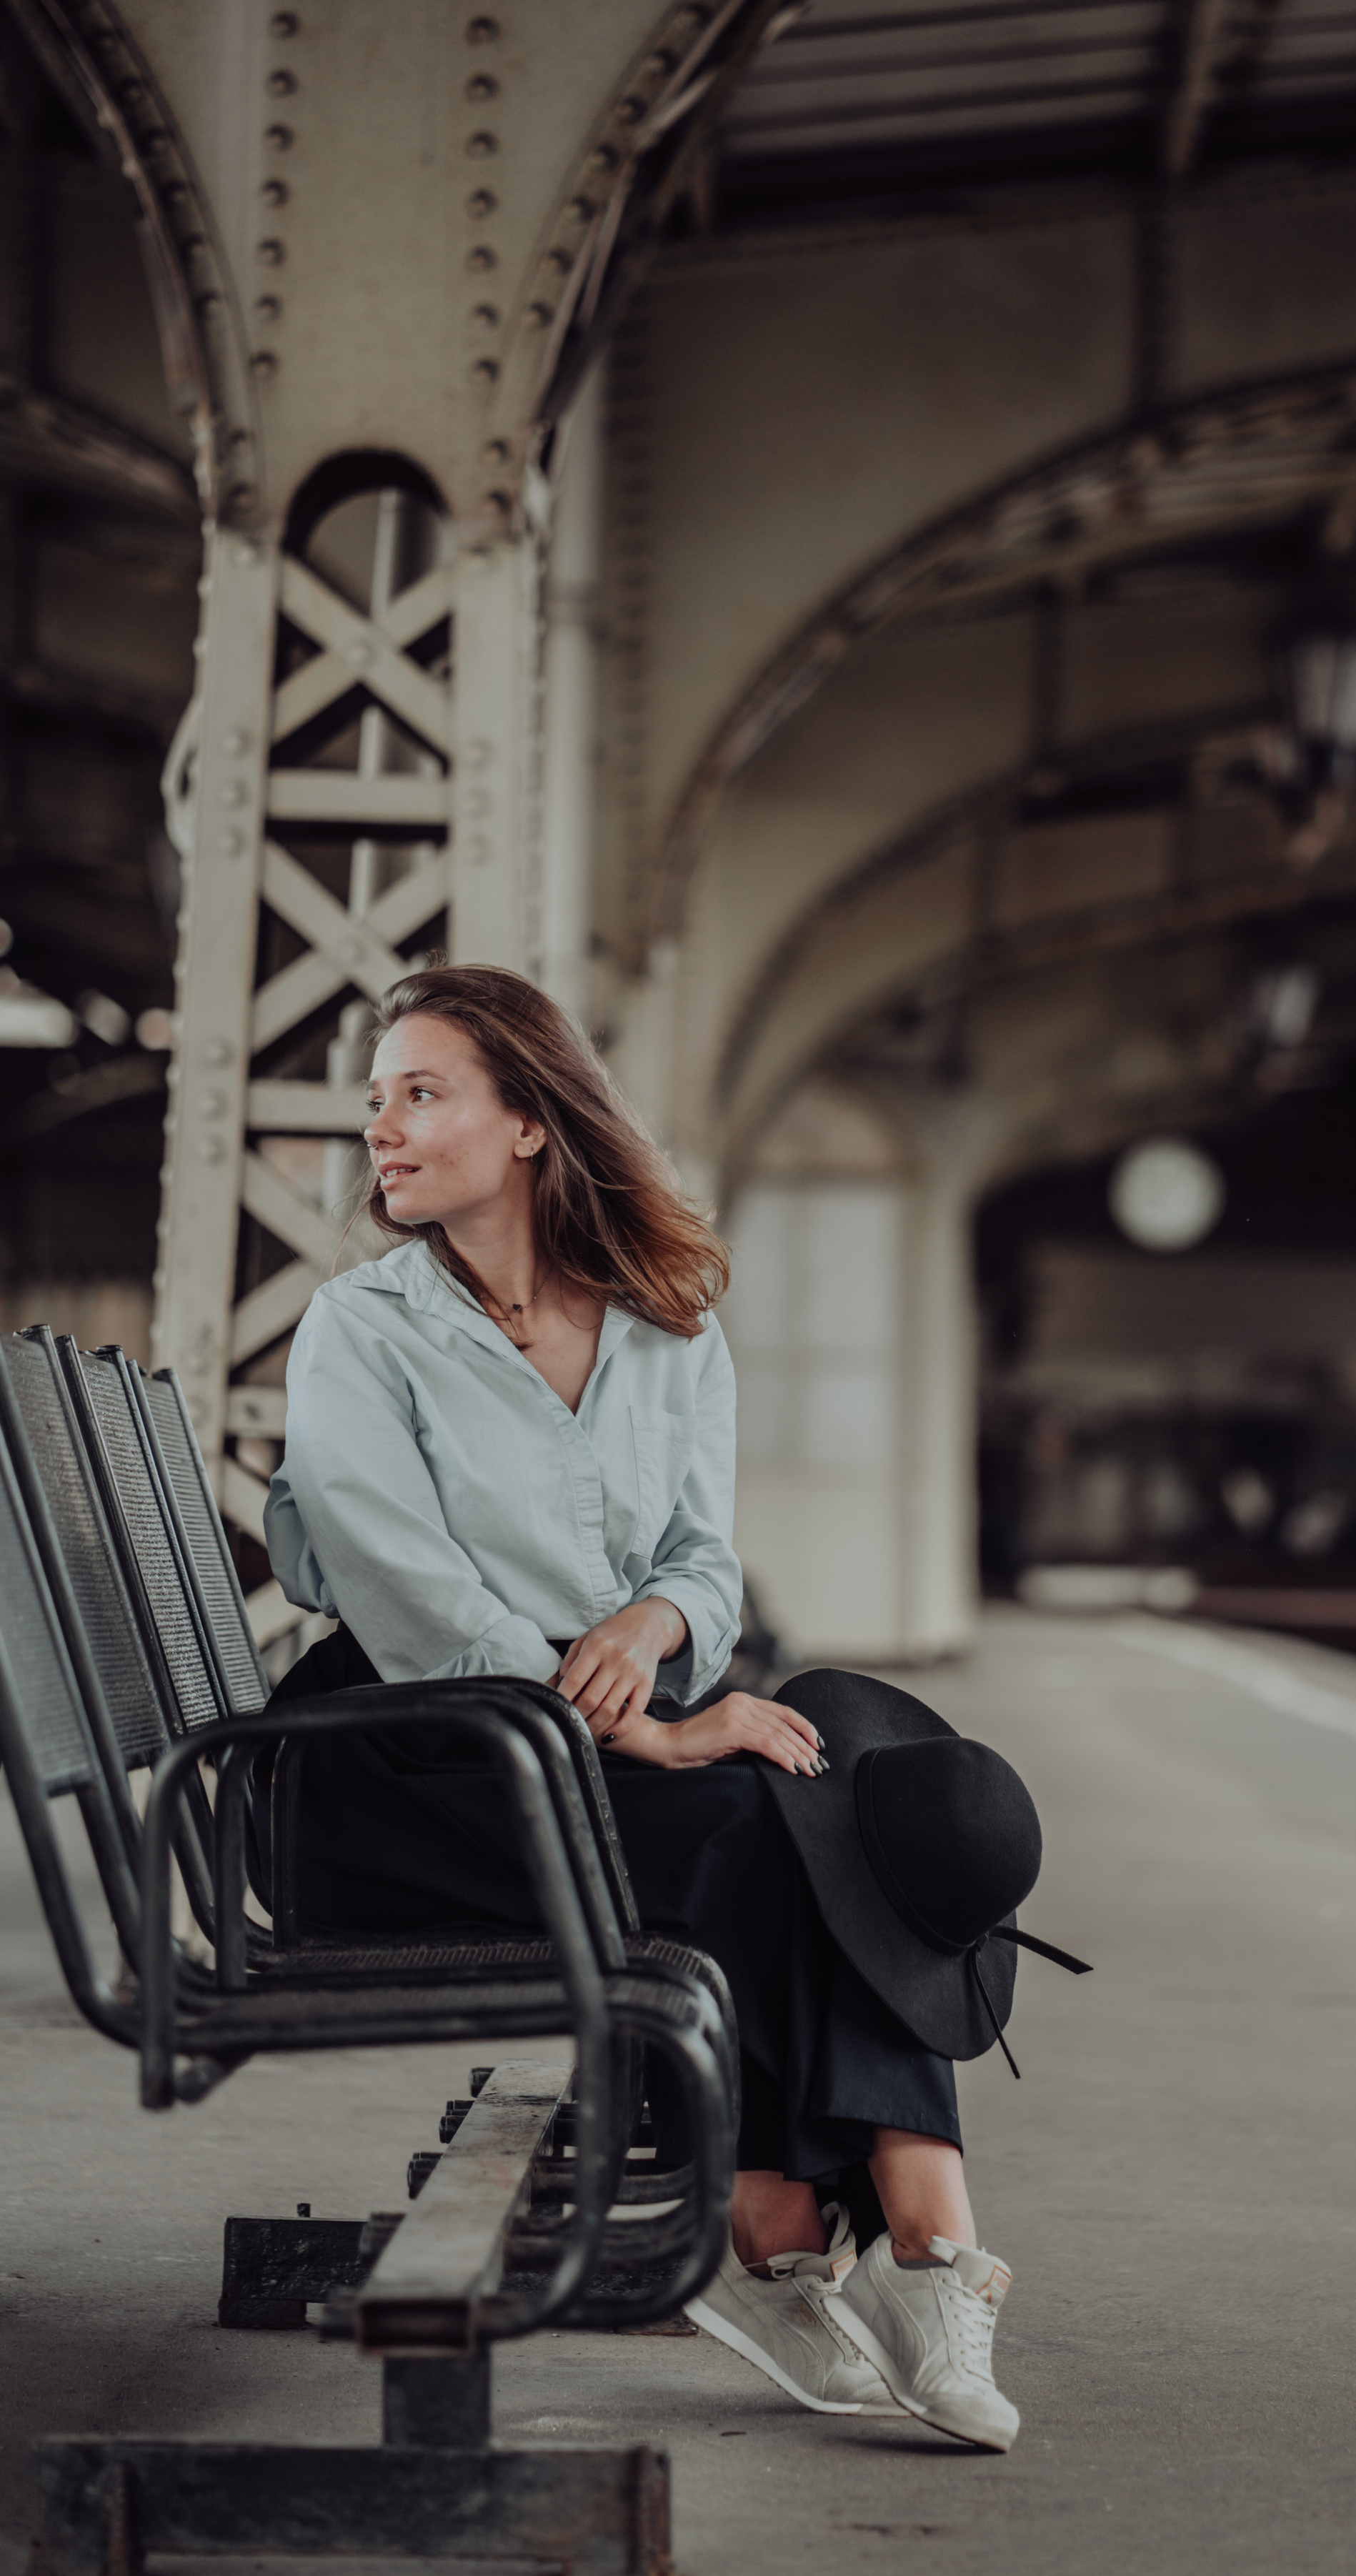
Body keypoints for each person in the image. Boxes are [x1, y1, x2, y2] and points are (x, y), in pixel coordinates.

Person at [260, 963, 1021, 2450]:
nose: (383, 1130)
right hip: (391, 1758)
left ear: (532, 1119)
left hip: (560, 1740)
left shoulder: (670, 1323)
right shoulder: (365, 1328)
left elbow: (701, 1563)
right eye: (376, 1101)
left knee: (846, 1799)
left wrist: (653, 1623)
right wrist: (648, 1724)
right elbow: (410, 1597)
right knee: (761, 1809)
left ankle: (871, 2240)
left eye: (422, 1091)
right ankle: (835, 2230)